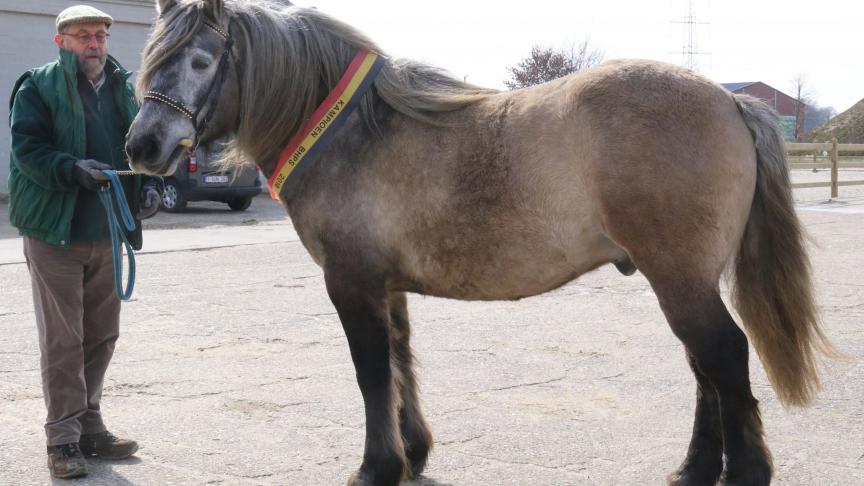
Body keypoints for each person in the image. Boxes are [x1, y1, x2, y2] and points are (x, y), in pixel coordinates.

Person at [7, 5, 161, 479]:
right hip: (55, 232)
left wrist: (146, 186)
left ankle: (90, 426)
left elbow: (135, 149)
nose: (95, 45)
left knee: (101, 335)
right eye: (84, 37)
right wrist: (72, 169)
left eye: (101, 37)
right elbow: (27, 150)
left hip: (106, 231)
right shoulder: (38, 85)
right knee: (64, 342)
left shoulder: (121, 88)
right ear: (62, 42)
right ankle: (63, 440)